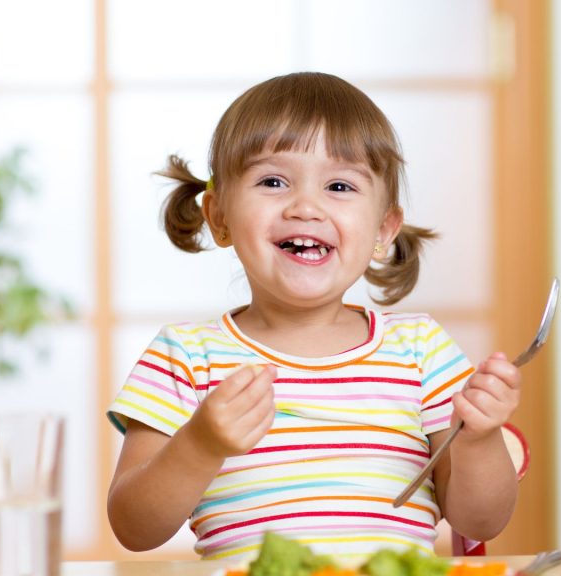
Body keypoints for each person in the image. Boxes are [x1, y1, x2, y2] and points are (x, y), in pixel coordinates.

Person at [106, 72, 521, 562]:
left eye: (339, 186)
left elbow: (479, 522)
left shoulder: (420, 349)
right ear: (219, 217)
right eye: (273, 182)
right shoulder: (186, 355)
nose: (305, 207)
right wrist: (199, 445)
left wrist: (479, 440)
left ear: (383, 229)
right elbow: (133, 527)